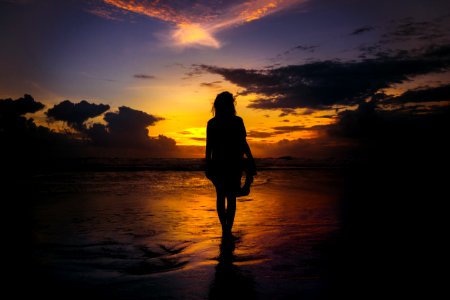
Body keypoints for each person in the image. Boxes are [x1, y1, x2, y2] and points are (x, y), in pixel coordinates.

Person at [205, 91, 256, 237]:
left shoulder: (212, 123)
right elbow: (243, 143)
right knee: (231, 197)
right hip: (234, 163)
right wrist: (251, 159)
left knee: (221, 195)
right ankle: (227, 229)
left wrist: (208, 165)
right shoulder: (237, 121)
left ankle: (225, 229)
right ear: (231, 104)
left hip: (219, 163)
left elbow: (209, 147)